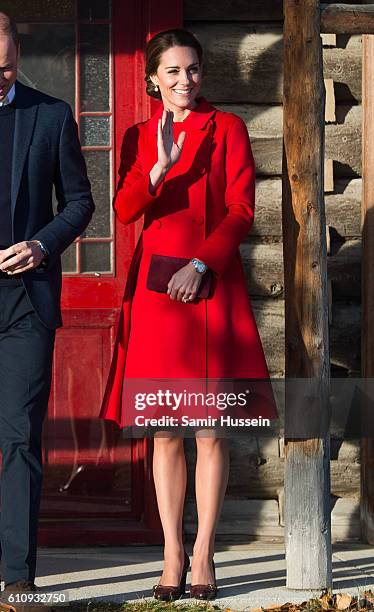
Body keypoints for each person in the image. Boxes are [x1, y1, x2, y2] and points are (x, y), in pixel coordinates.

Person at [100, 28, 277, 600]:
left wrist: (202, 265)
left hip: (209, 289)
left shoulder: (228, 128)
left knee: (209, 430)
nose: (185, 81)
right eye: (173, 72)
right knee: (165, 431)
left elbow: (242, 209)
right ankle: (172, 552)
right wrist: (158, 165)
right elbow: (125, 210)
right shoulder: (137, 136)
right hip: (156, 296)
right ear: (154, 78)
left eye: (193, 69)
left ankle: (204, 554)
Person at [0, 13, 94, 611]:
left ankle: (17, 578)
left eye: (3, 66)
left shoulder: (51, 113)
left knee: (19, 439)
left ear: (17, 54)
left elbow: (81, 202)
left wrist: (41, 245)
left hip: (25, 303)